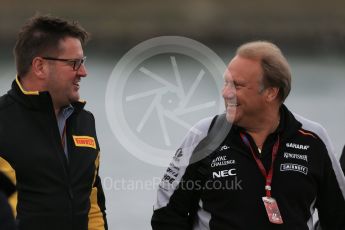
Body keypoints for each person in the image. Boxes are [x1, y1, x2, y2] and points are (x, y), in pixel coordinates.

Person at [151, 41, 345, 229]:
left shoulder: (313, 137)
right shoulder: (204, 135)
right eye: (226, 83)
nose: (226, 93)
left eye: (237, 85)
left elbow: (338, 217)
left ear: (270, 92)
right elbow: (166, 215)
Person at [0, 15, 107, 230]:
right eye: (74, 63)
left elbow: (93, 205)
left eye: (82, 62)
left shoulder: (85, 122)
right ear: (39, 66)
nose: (83, 72)